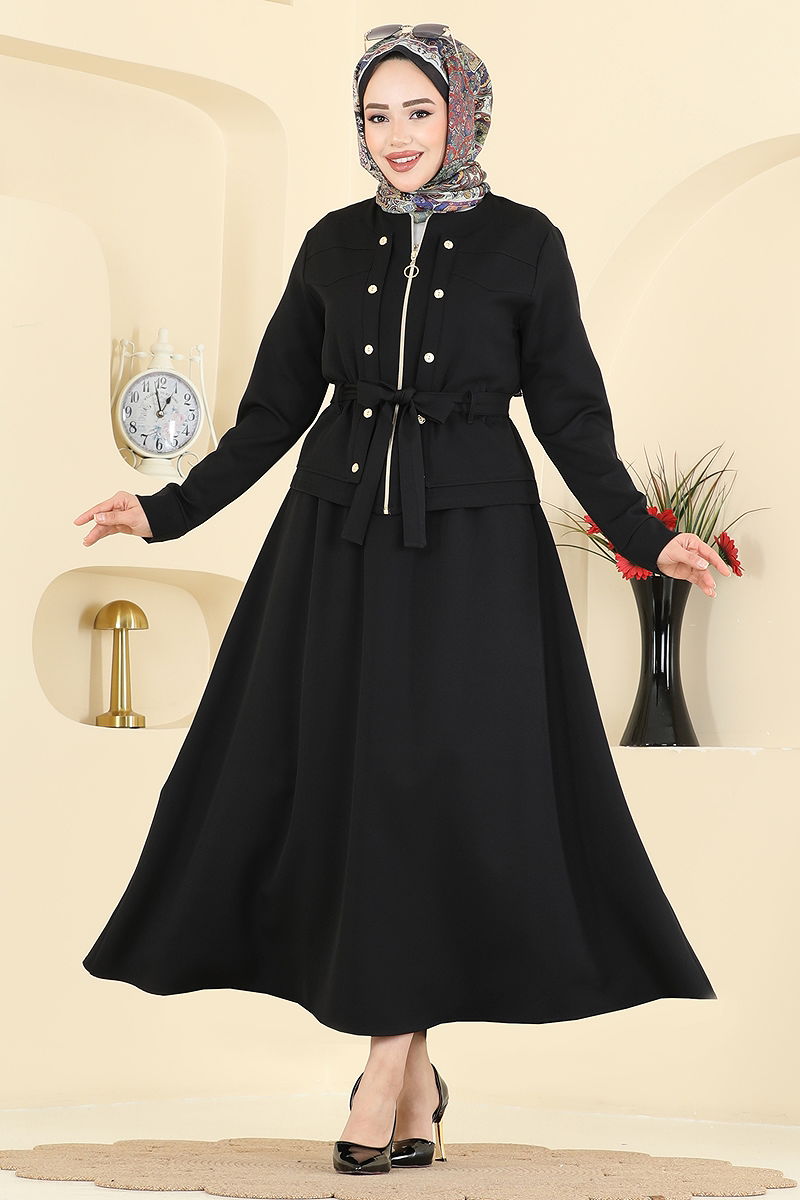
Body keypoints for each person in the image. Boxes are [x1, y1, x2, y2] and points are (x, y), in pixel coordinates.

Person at [74, 25, 729, 1177]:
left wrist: (646, 536)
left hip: (475, 548)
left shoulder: (525, 244)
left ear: (461, 113)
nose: (395, 136)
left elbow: (569, 417)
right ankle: (404, 1072)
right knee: (360, 788)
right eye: (375, 115)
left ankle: (385, 1071)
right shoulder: (332, 245)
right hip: (335, 545)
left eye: (417, 111)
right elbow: (272, 413)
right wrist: (166, 510)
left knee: (438, 787)